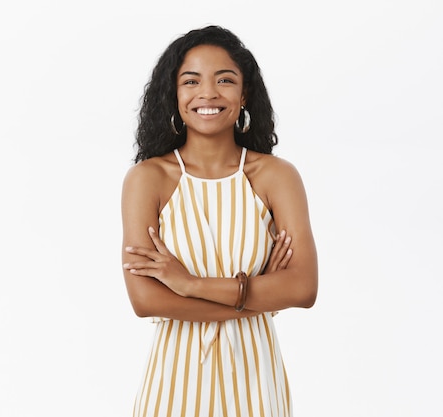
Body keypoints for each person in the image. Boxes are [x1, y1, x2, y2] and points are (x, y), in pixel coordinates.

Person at [121, 25, 318, 417]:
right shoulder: (149, 178)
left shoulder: (276, 176)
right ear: (174, 94)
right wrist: (256, 296)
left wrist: (189, 284)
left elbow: (303, 288)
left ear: (244, 94)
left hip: (256, 384)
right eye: (190, 81)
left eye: (224, 80)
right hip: (174, 385)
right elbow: (145, 300)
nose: (207, 93)